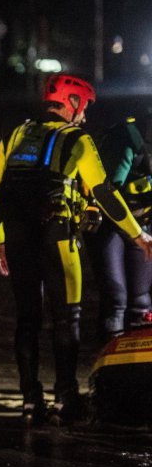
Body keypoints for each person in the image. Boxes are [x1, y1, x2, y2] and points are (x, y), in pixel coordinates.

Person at [0, 73, 152, 427]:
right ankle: (66, 398)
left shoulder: (16, 134)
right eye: (85, 106)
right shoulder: (77, 138)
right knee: (67, 318)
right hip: (57, 236)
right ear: (72, 102)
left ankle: (30, 400)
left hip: (16, 236)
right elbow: (104, 192)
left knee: (27, 319)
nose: (86, 115)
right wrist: (138, 236)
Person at [84, 113, 152, 342]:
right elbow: (109, 194)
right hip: (108, 224)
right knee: (115, 299)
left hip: (142, 223)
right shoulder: (125, 140)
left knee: (140, 300)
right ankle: (109, 367)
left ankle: (140, 368)